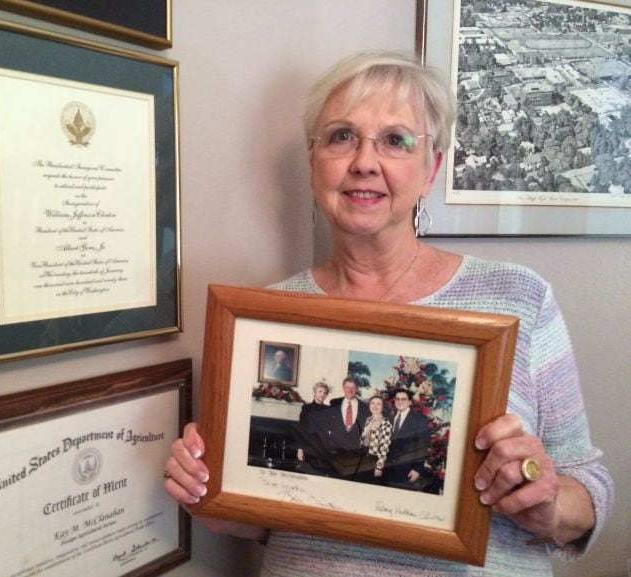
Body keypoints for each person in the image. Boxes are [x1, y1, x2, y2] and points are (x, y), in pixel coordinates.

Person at [164, 50, 613, 576]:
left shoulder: (519, 298)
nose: (364, 162)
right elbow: (273, 514)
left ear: (431, 169)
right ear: (313, 163)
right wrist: (213, 494)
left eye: (396, 140)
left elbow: (590, 486)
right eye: (341, 136)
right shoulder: (265, 319)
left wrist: (551, 504)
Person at [382, 388, 429, 490]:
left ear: (409, 402)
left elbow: (423, 445)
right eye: (397, 399)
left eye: (403, 399)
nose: (400, 402)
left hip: (407, 471)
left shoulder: (419, 419)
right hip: (387, 470)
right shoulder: (390, 419)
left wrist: (417, 468)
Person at [360, 394, 392, 483]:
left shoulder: (386, 423)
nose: (375, 406)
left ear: (382, 407)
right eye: (372, 403)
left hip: (374, 460)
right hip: (362, 458)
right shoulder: (368, 420)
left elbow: (385, 447)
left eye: (378, 404)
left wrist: (379, 467)